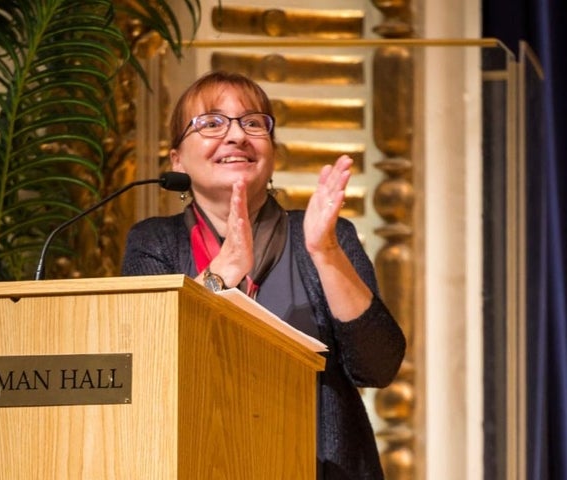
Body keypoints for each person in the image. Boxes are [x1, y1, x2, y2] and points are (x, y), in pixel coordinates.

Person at [120, 70, 406, 479]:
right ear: (177, 159)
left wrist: (324, 252)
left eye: (253, 123)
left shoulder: (326, 237)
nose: (236, 136)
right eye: (212, 123)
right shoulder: (155, 242)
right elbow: (145, 368)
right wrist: (223, 273)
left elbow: (378, 366)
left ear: (271, 152)